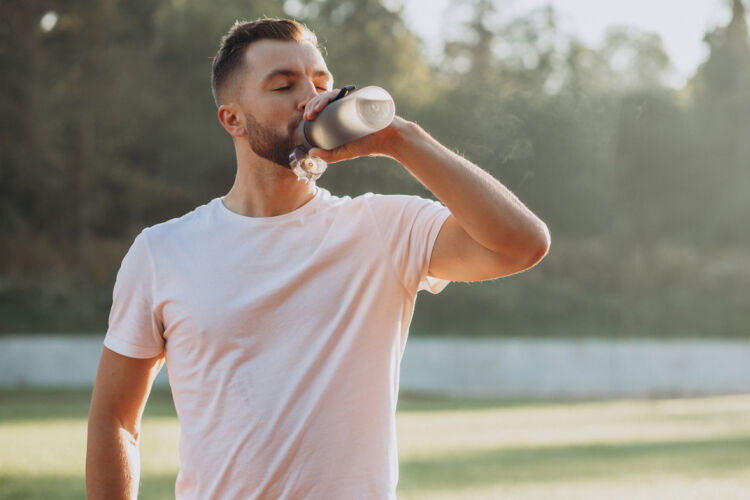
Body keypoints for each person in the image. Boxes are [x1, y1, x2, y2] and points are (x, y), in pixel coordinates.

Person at [86, 17, 549, 500]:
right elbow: (115, 420)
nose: (311, 98)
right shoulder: (163, 252)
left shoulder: (383, 228)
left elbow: (522, 244)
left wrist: (399, 138)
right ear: (233, 119)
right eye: (284, 85)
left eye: (322, 83)